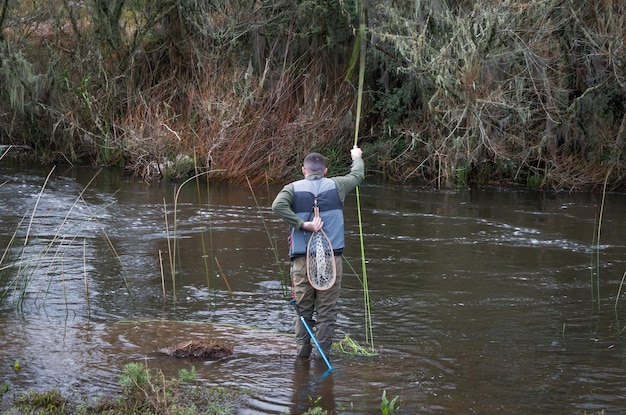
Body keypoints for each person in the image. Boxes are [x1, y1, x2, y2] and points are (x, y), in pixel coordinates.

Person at [272, 146, 364, 360]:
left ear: (304, 170)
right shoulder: (337, 185)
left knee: (303, 311)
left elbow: (277, 206)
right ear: (325, 170)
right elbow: (357, 175)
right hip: (332, 261)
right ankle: (323, 357)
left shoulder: (291, 189)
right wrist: (356, 157)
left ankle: (302, 356)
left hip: (302, 260)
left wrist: (302, 225)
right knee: (326, 313)